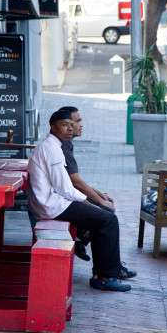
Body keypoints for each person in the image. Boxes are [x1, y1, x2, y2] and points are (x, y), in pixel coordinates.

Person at [27, 110, 136, 292]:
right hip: (52, 206)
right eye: (64, 125)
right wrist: (90, 203)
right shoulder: (52, 149)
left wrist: (95, 202)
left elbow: (65, 188)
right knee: (107, 220)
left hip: (52, 202)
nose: (70, 129)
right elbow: (65, 189)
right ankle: (103, 277)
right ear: (52, 127)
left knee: (105, 215)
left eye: (71, 125)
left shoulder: (54, 145)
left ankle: (107, 269)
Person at [57, 106, 117, 263]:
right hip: (60, 202)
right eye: (77, 121)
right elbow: (75, 182)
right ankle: (105, 271)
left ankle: (84, 244)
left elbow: (75, 179)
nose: (81, 125)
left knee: (104, 212)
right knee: (107, 217)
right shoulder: (61, 145)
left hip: (64, 197)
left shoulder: (65, 144)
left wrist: (100, 195)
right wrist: (100, 201)